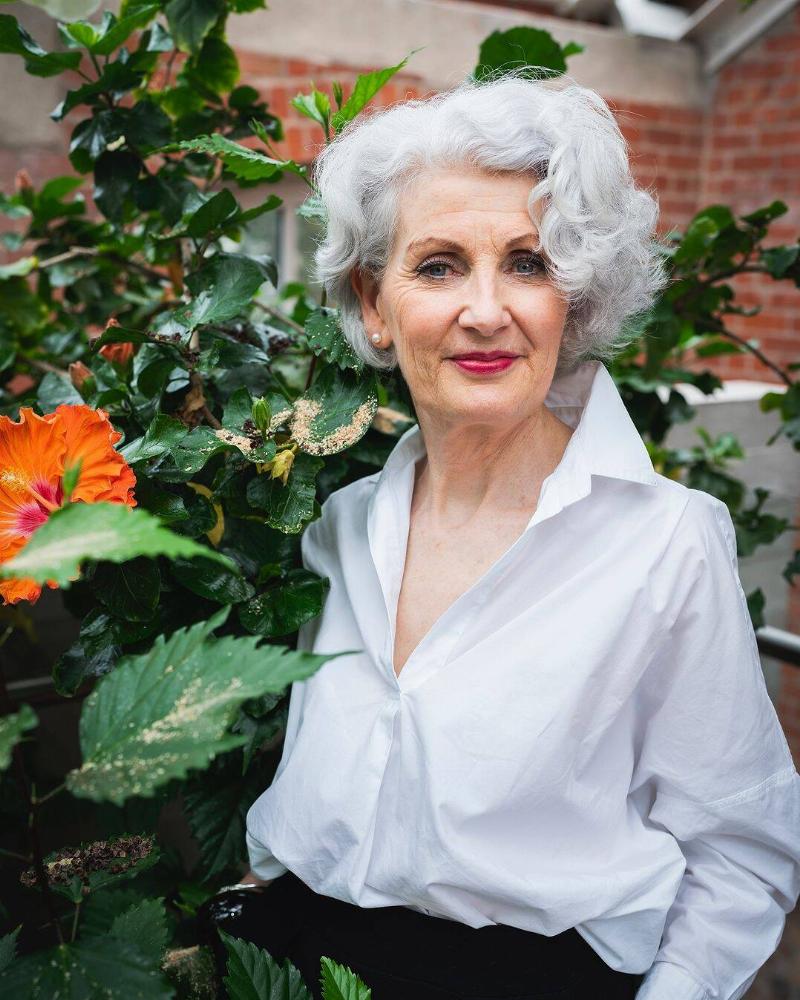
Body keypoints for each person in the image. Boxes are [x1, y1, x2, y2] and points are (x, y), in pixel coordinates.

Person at [231, 70, 800, 999]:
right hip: (296, 960)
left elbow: (740, 856)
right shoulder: (343, 527)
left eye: (529, 264)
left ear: (572, 303)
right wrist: (259, 880)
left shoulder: (667, 545)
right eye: (439, 264)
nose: (486, 310)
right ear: (375, 304)